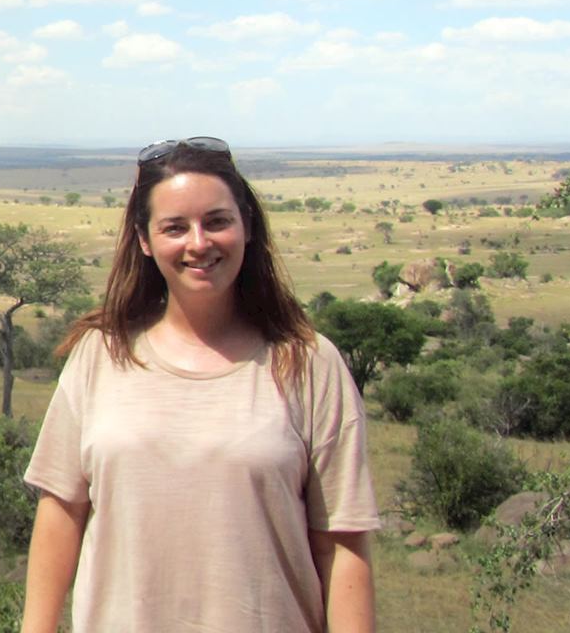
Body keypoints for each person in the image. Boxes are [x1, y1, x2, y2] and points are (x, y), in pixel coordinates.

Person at [20, 137, 379, 632]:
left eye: (216, 221)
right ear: (144, 240)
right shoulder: (101, 354)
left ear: (247, 226)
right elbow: (61, 511)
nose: (198, 243)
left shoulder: (307, 363)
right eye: (174, 227)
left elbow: (341, 543)